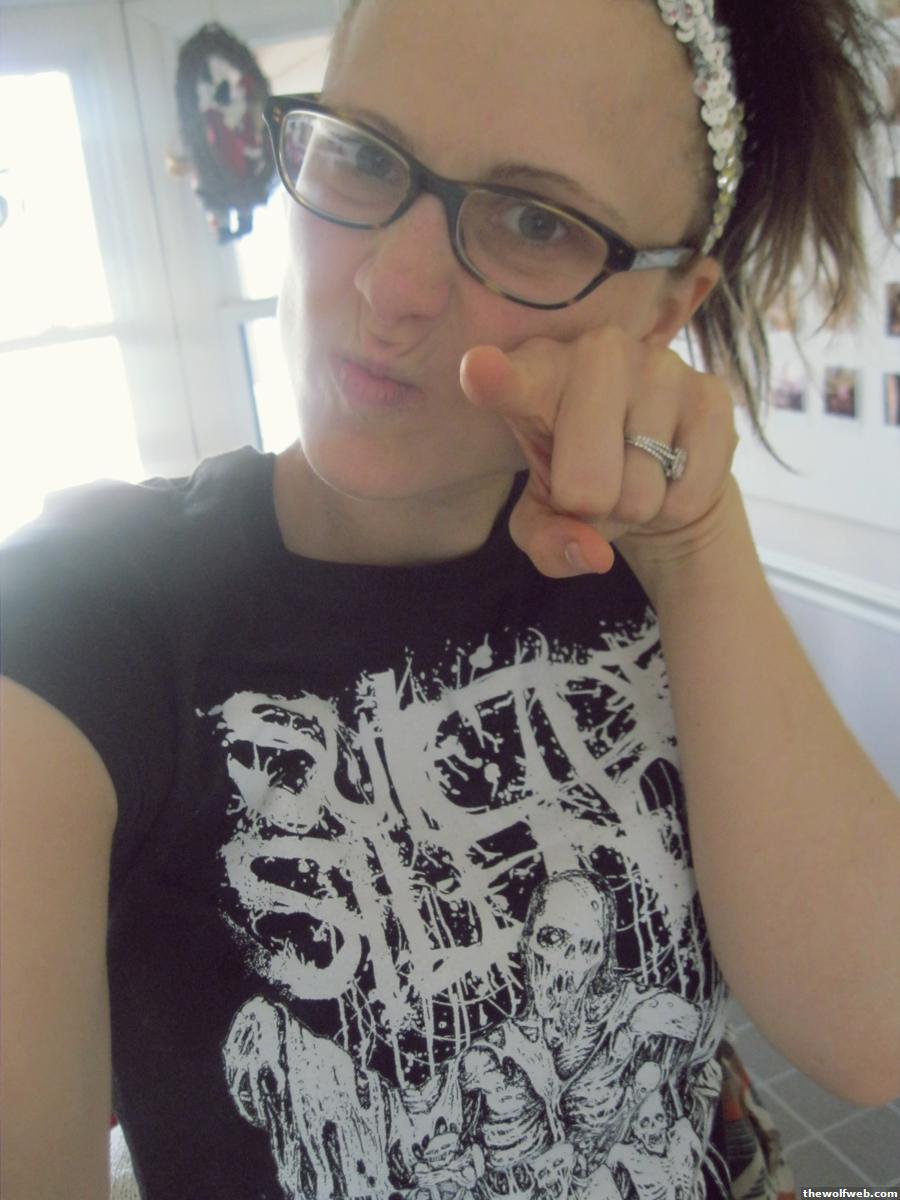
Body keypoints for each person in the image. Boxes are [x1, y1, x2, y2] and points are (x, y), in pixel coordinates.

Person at [2, 2, 899, 1198]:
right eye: (365, 156)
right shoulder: (81, 617)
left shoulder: (652, 574)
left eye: (533, 220)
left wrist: (697, 547)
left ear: (665, 309)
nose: (392, 283)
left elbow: (869, 1031)